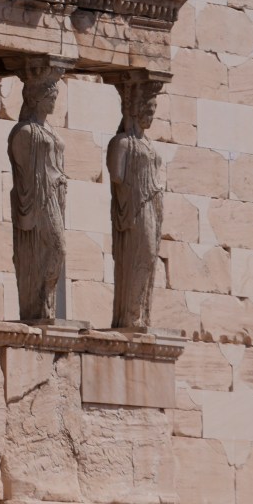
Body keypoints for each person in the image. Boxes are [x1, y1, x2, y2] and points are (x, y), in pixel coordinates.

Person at [8, 69, 66, 321]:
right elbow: (24, 174)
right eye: (50, 96)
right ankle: (38, 303)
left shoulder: (48, 129)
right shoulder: (25, 132)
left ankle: (47, 304)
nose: (54, 101)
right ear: (36, 98)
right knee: (57, 247)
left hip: (56, 195)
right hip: (40, 199)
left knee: (55, 250)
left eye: (55, 96)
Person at [107, 78, 163, 329]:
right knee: (142, 254)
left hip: (153, 206)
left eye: (153, 111)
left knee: (150, 258)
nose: (151, 116)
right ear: (136, 110)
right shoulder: (121, 143)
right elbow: (117, 176)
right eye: (148, 111)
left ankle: (138, 313)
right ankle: (130, 314)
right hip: (134, 208)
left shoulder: (149, 145)